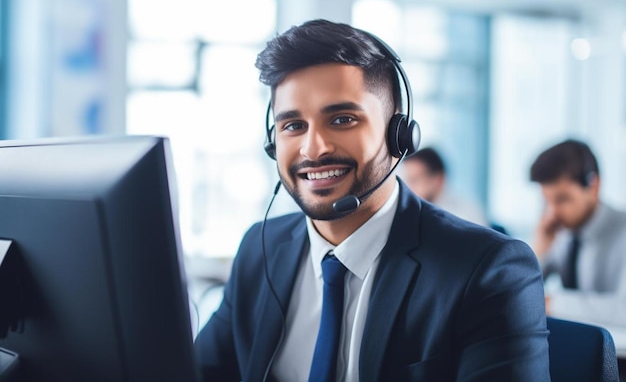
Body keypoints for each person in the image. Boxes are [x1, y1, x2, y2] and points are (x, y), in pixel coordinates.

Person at [194, 19, 549, 382]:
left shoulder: (487, 270)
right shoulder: (261, 246)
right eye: (293, 125)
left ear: (399, 135)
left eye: (343, 119)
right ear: (273, 143)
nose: (313, 149)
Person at [530, 139, 626, 327]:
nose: (553, 212)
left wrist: (551, 302)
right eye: (547, 201)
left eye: (562, 199)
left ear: (594, 186)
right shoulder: (559, 232)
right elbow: (519, 292)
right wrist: (539, 249)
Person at [400, 147, 489, 226]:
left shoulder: (465, 214)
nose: (407, 188)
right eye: (407, 181)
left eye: (414, 180)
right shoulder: (413, 211)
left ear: (438, 179)